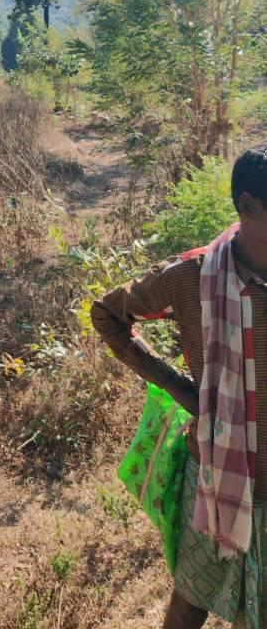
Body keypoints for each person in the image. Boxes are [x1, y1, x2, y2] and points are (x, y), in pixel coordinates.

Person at [91, 144, 267, 629]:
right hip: (216, 474)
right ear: (249, 206)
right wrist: (177, 386)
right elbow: (107, 314)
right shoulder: (194, 277)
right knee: (192, 599)